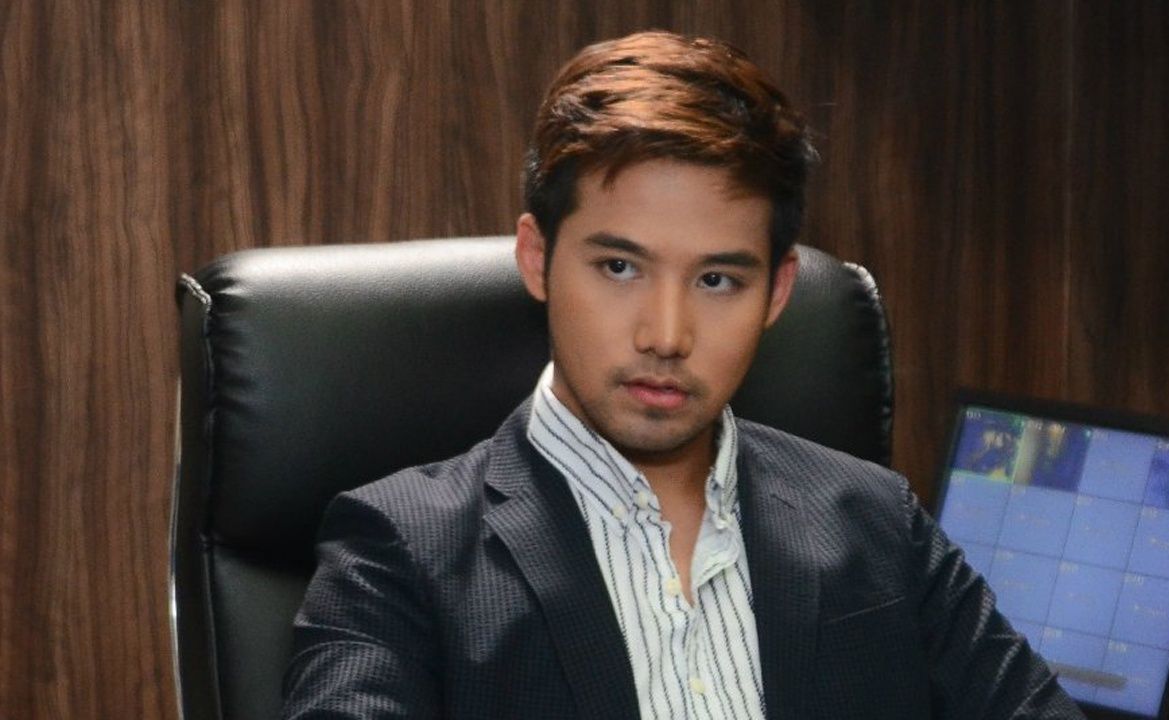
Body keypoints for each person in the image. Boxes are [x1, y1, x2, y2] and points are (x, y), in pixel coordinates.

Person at [280, 30, 1084, 719]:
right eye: (620, 267)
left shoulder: (878, 521)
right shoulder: (399, 553)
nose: (666, 336)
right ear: (537, 258)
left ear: (777, 292)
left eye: (717, 280)